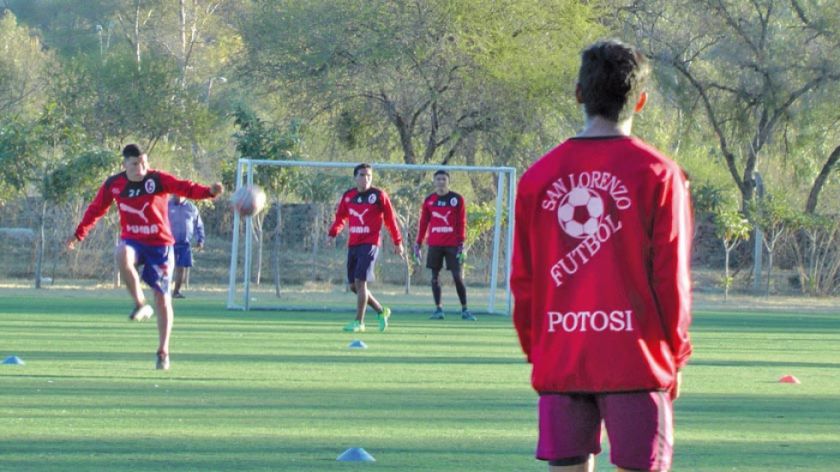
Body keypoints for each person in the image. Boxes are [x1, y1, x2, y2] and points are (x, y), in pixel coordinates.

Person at [511, 39, 693, 472]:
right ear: (642, 101)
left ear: (578, 93)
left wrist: (541, 350)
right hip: (637, 358)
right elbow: (671, 281)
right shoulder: (659, 176)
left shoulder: (538, 178)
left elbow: (524, 281)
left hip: (563, 355)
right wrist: (676, 354)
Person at [65, 144, 223, 370]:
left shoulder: (157, 180)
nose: (141, 168)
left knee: (162, 298)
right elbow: (96, 209)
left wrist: (209, 192)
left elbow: (184, 188)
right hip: (134, 241)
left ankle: (163, 350)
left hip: (160, 245)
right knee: (121, 252)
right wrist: (79, 233)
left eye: (144, 163)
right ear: (125, 165)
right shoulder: (114, 184)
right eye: (135, 164)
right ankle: (140, 304)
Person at [328, 163, 404, 333]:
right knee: (354, 286)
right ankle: (381, 311)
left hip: (370, 244)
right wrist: (333, 233)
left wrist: (397, 241)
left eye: (369, 175)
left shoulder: (378, 196)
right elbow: (341, 217)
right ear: (355, 177)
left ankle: (359, 322)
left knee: (360, 283)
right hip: (353, 244)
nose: (366, 178)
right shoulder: (349, 196)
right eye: (362, 175)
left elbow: (390, 220)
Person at [413, 170, 475, 321]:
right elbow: (423, 223)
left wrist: (461, 243)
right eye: (438, 179)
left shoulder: (456, 199)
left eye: (443, 179)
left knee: (457, 277)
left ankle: (465, 309)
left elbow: (461, 222)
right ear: (434, 182)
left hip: (453, 245)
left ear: (448, 181)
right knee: (435, 277)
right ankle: (438, 309)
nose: (441, 182)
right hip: (435, 244)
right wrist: (418, 243)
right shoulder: (429, 201)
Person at [168, 195, 205, 299]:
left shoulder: (191, 208)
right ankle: (164, 290)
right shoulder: (167, 206)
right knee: (167, 268)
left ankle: (176, 291)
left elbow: (199, 225)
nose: (177, 195)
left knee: (181, 268)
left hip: (184, 243)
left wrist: (200, 239)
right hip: (168, 243)